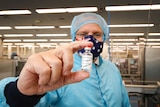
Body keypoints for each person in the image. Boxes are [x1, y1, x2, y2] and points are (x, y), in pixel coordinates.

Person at [0, 13, 131, 107]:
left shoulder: (112, 69)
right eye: (83, 35)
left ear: (104, 38)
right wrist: (20, 94)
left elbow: (125, 102)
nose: (90, 40)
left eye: (97, 35)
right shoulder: (61, 68)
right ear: (75, 38)